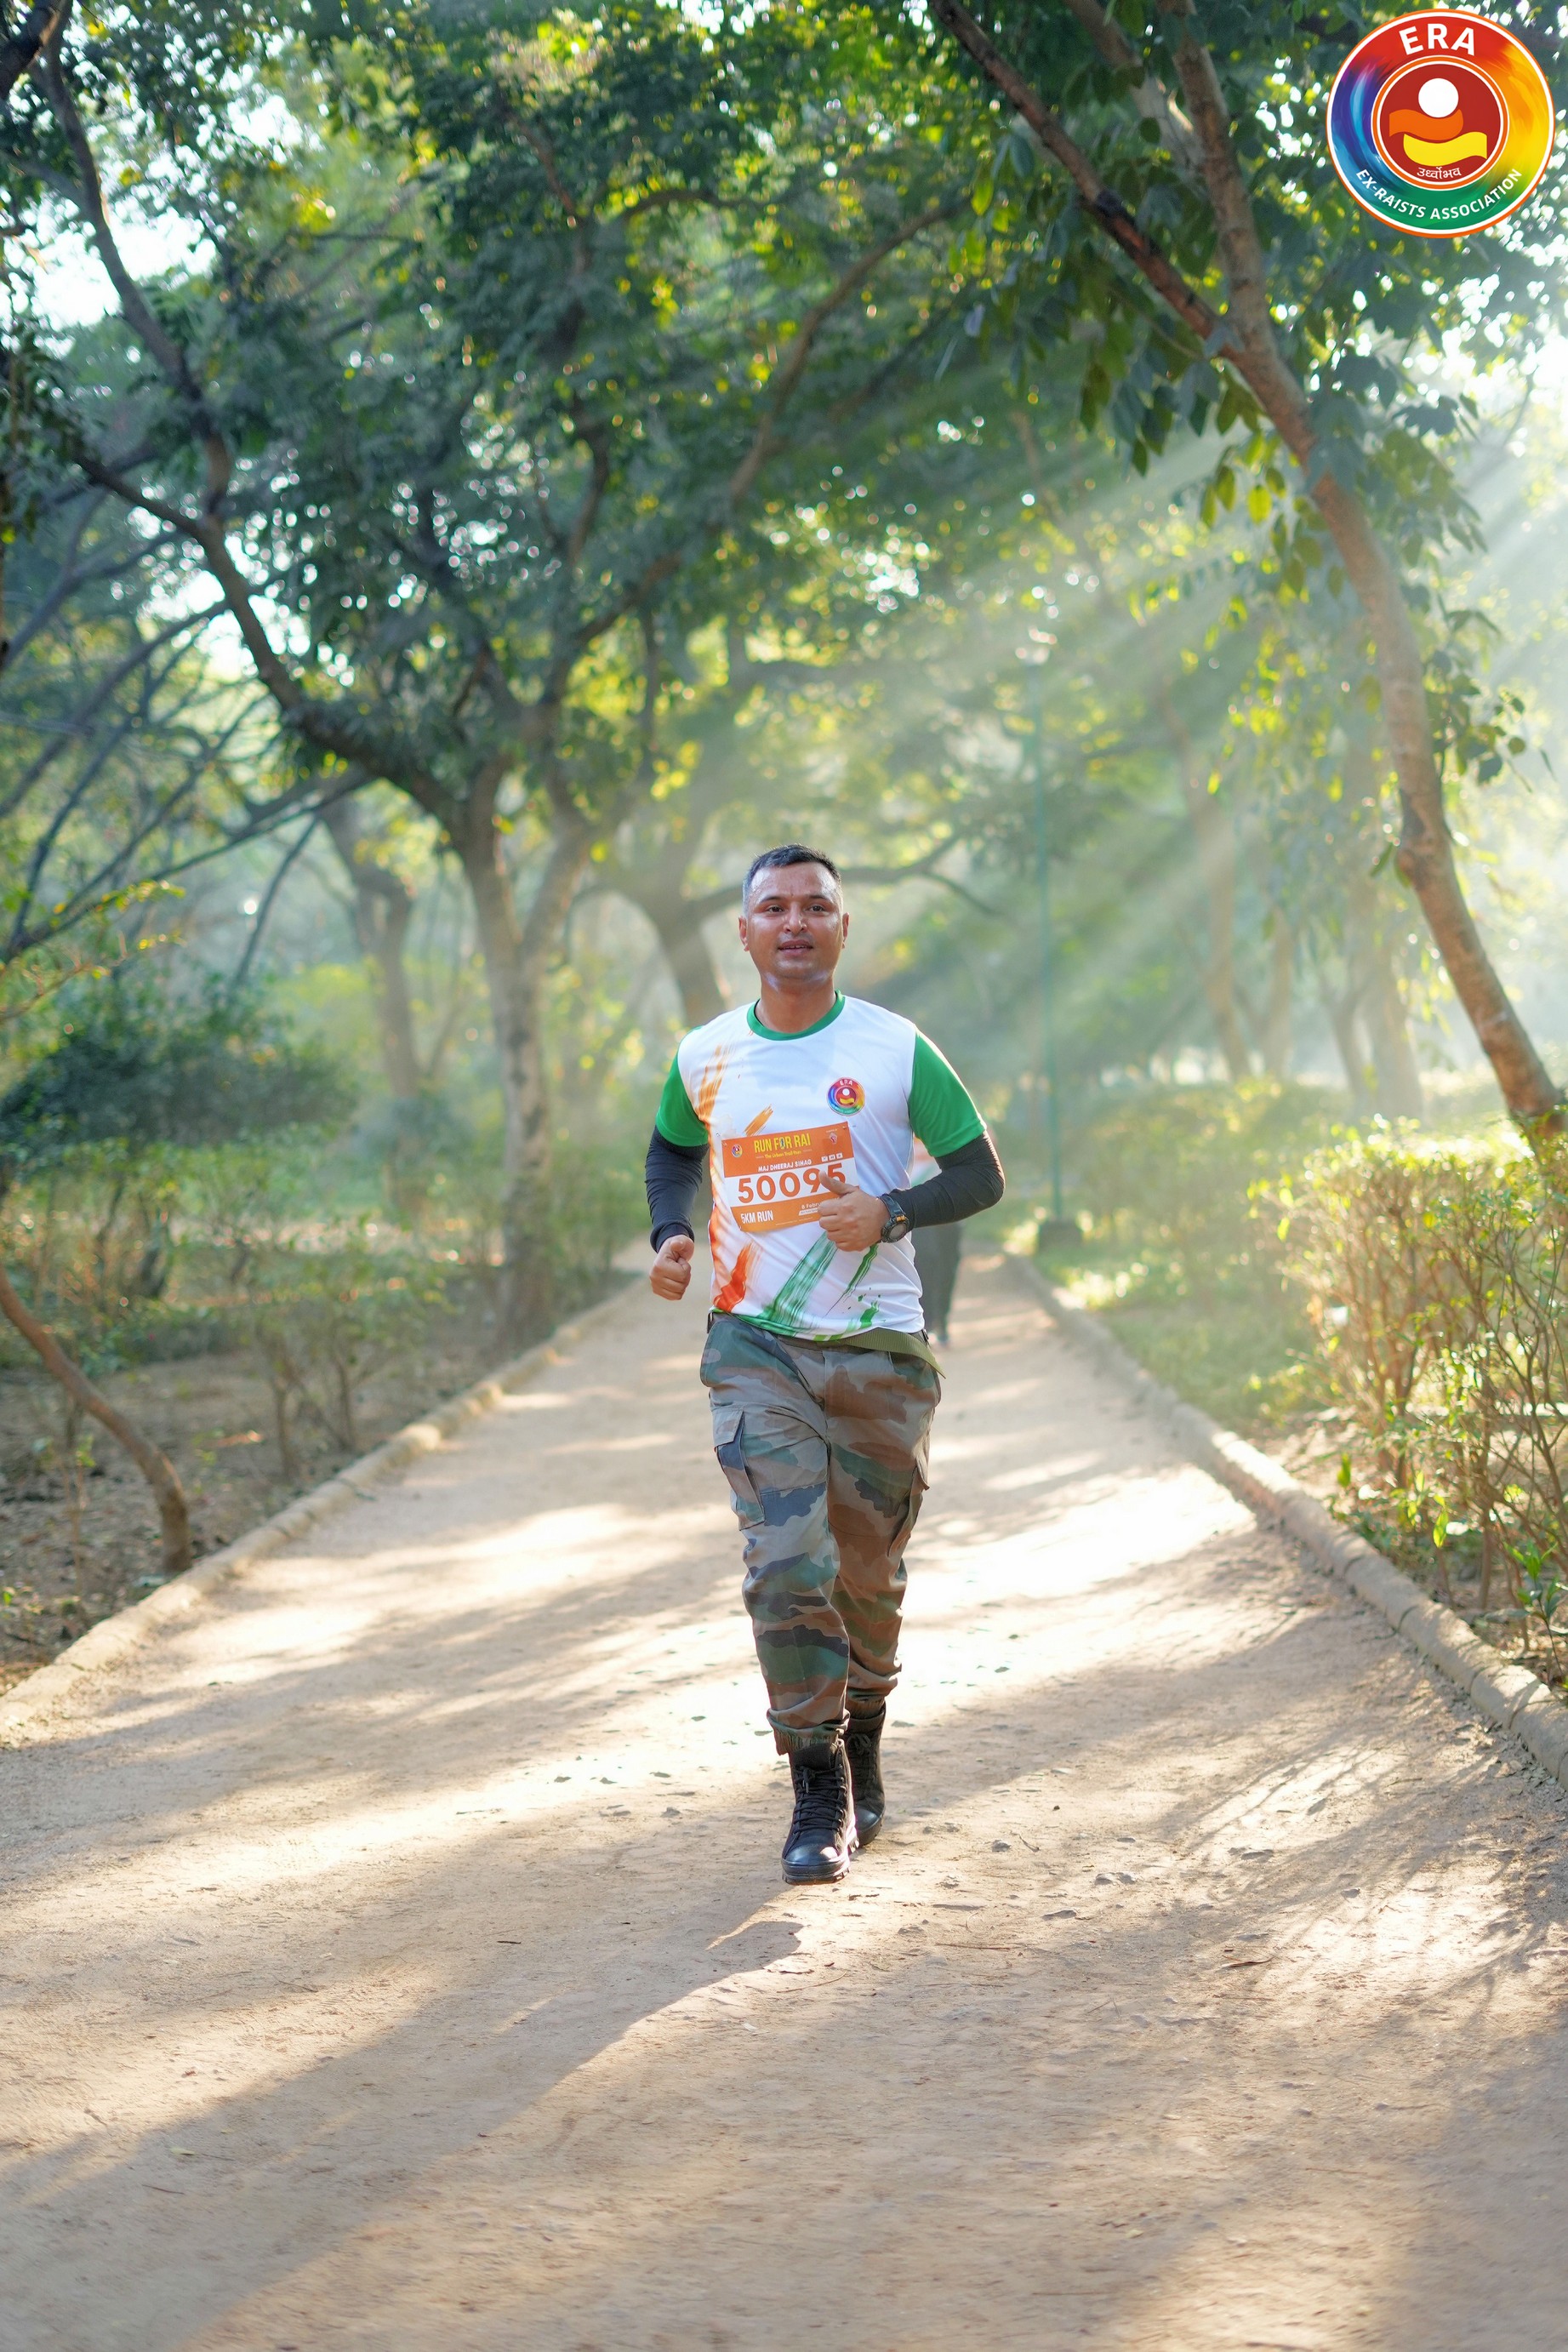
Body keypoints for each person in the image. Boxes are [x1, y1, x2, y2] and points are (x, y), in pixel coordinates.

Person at [644, 844, 1005, 1885]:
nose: (794, 922)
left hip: (879, 1350)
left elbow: (979, 1173)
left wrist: (890, 1209)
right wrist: (673, 1232)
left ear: (843, 927)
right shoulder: (707, 1054)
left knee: (865, 1576)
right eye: (774, 907)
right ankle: (815, 1784)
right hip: (754, 1346)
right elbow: (671, 1150)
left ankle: (864, 1740)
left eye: (815, 906)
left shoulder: (895, 1049)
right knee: (784, 1564)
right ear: (745, 931)